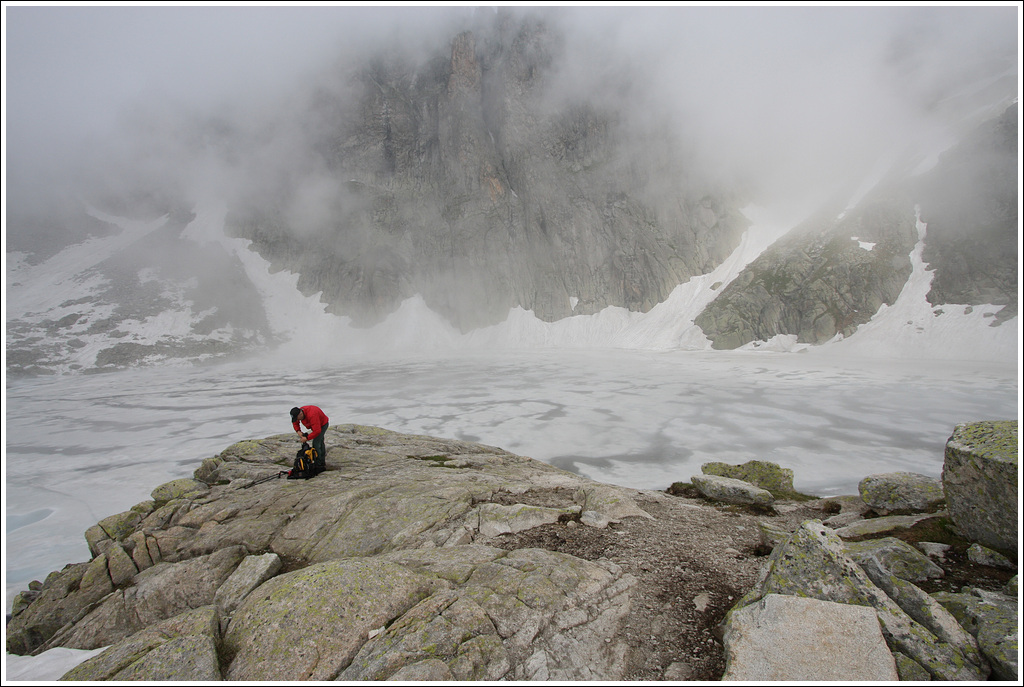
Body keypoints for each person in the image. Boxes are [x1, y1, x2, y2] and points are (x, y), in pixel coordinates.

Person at [290, 405, 329, 473]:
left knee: (316, 443)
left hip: (323, 424)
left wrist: (306, 438)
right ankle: (322, 460)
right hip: (314, 425)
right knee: (320, 441)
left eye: (297, 418)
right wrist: (298, 431)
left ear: (300, 414)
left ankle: (319, 463)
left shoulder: (312, 414)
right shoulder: (297, 414)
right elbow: (295, 423)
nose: (297, 420)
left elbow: (317, 431)